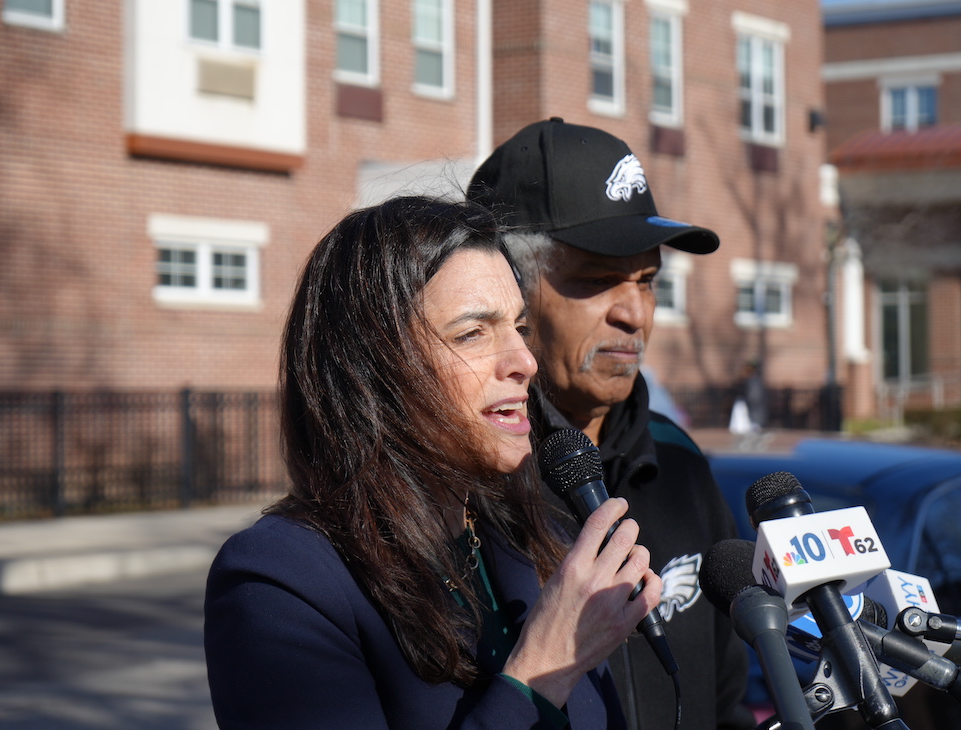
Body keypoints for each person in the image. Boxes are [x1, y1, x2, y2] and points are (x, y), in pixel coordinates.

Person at [204, 196, 664, 730]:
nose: (524, 362)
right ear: (373, 371)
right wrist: (541, 670)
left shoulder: (525, 537)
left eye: (519, 327)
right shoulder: (279, 582)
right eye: (473, 332)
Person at [468, 119, 756, 730]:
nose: (635, 313)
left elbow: (726, 700)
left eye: (647, 281)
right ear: (507, 294)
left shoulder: (678, 461)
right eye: (597, 281)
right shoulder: (462, 488)